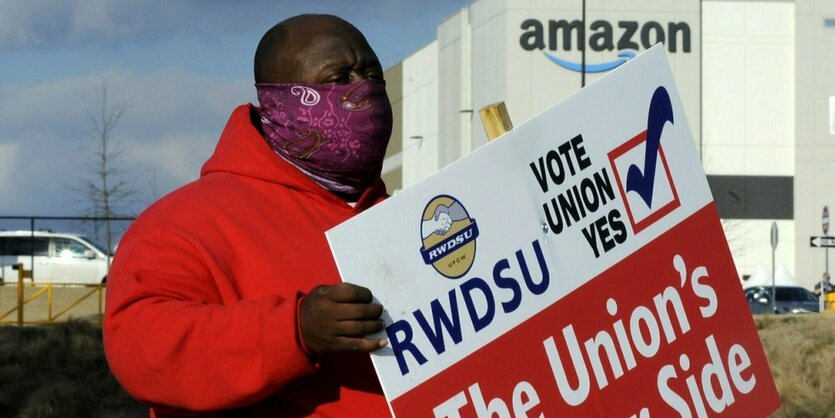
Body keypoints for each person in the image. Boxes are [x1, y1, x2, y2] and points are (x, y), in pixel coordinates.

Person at [104, 14, 394, 417]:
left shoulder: (402, 218)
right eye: (338, 78)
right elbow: (141, 350)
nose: (363, 91)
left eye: (373, 75)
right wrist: (294, 331)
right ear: (279, 101)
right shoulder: (183, 222)